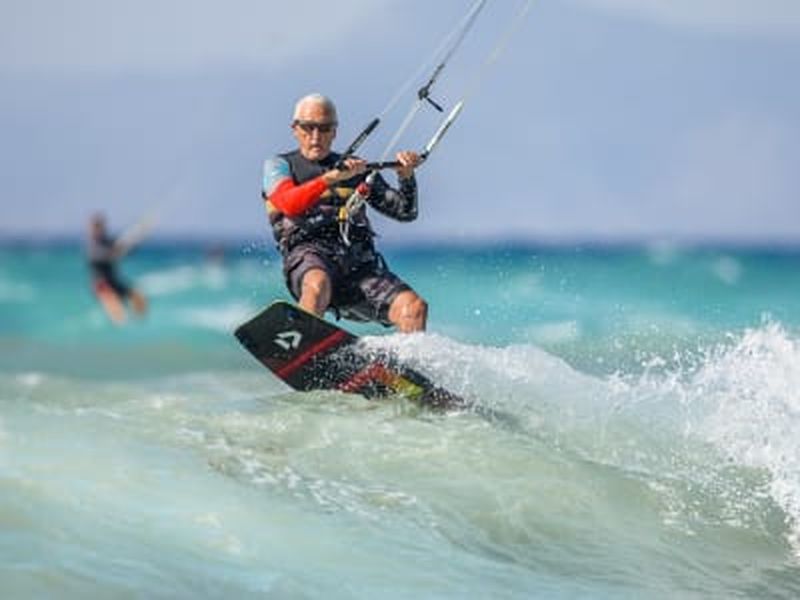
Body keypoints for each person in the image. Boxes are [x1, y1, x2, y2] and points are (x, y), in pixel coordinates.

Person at [262, 93, 428, 332]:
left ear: (335, 131)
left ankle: (406, 358)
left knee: (414, 308)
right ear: (295, 129)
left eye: (324, 128)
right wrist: (331, 178)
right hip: (309, 256)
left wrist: (406, 177)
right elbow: (289, 204)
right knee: (317, 283)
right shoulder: (279, 166)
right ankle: (304, 342)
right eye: (308, 128)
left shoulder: (356, 169)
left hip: (357, 266)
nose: (316, 136)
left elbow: (405, 212)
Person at [86, 213, 148, 324]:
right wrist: (117, 252)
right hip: (101, 285)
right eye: (95, 227)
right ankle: (120, 324)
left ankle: (138, 323)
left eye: (100, 227)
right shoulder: (92, 246)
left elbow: (125, 248)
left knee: (139, 297)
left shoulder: (108, 241)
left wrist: (140, 233)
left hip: (114, 281)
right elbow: (107, 255)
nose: (98, 230)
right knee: (118, 314)